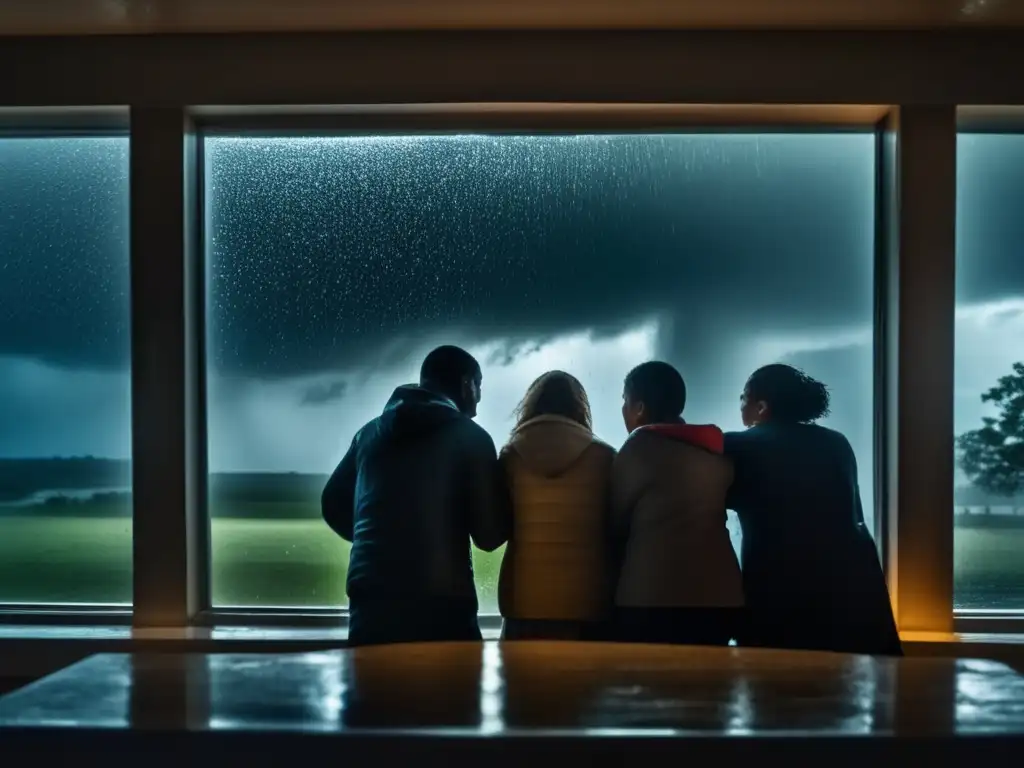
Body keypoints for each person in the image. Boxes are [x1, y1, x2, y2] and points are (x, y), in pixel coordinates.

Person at [321, 345, 509, 646]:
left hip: (369, 603)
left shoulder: (368, 434)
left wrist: (382, 536)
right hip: (444, 607)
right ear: (466, 385)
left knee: (372, 691)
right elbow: (489, 536)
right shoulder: (472, 437)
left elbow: (332, 505)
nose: (479, 399)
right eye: (479, 386)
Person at [724, 363, 902, 656]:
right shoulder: (836, 443)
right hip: (849, 588)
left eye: (744, 397)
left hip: (779, 591)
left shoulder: (741, 446)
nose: (740, 404)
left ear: (762, 407)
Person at [609, 361, 744, 645]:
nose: (623, 410)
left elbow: (613, 522)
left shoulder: (639, 447)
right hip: (721, 597)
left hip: (653, 597)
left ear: (639, 408)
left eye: (625, 401)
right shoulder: (713, 449)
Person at [497, 371, 616, 640]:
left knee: (523, 681)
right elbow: (616, 527)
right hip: (589, 600)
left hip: (523, 599)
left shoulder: (510, 456)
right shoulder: (604, 457)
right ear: (580, 408)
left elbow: (497, 525)